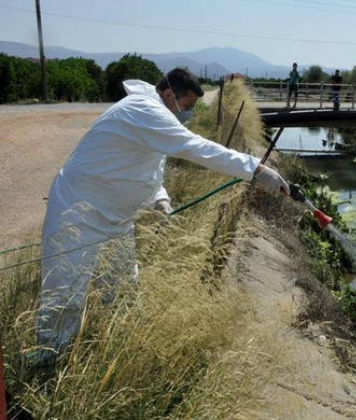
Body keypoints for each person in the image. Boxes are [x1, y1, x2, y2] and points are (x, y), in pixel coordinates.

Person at [36, 68, 289, 364]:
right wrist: (255, 170)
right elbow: (194, 147)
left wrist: (160, 197)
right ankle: (50, 364)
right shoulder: (143, 109)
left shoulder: (153, 115)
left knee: (122, 288)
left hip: (116, 219)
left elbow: (147, 162)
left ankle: (111, 350)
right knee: (66, 293)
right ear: (170, 94)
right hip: (79, 213)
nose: (188, 114)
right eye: (188, 106)